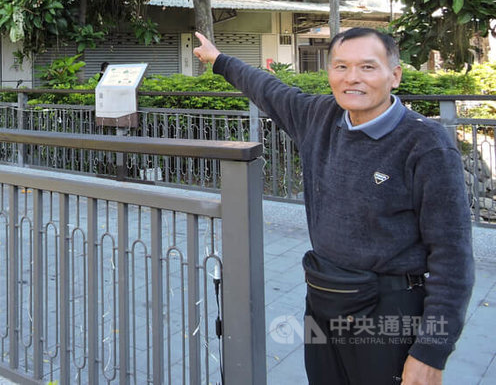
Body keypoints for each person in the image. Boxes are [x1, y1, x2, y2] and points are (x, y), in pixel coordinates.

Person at [194, 27, 473, 385]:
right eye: (340, 67)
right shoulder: (318, 116)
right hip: (323, 298)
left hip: (387, 308)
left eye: (368, 68)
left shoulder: (426, 144)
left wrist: (431, 352)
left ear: (395, 76)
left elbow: (452, 256)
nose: (352, 78)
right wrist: (218, 60)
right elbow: (267, 89)